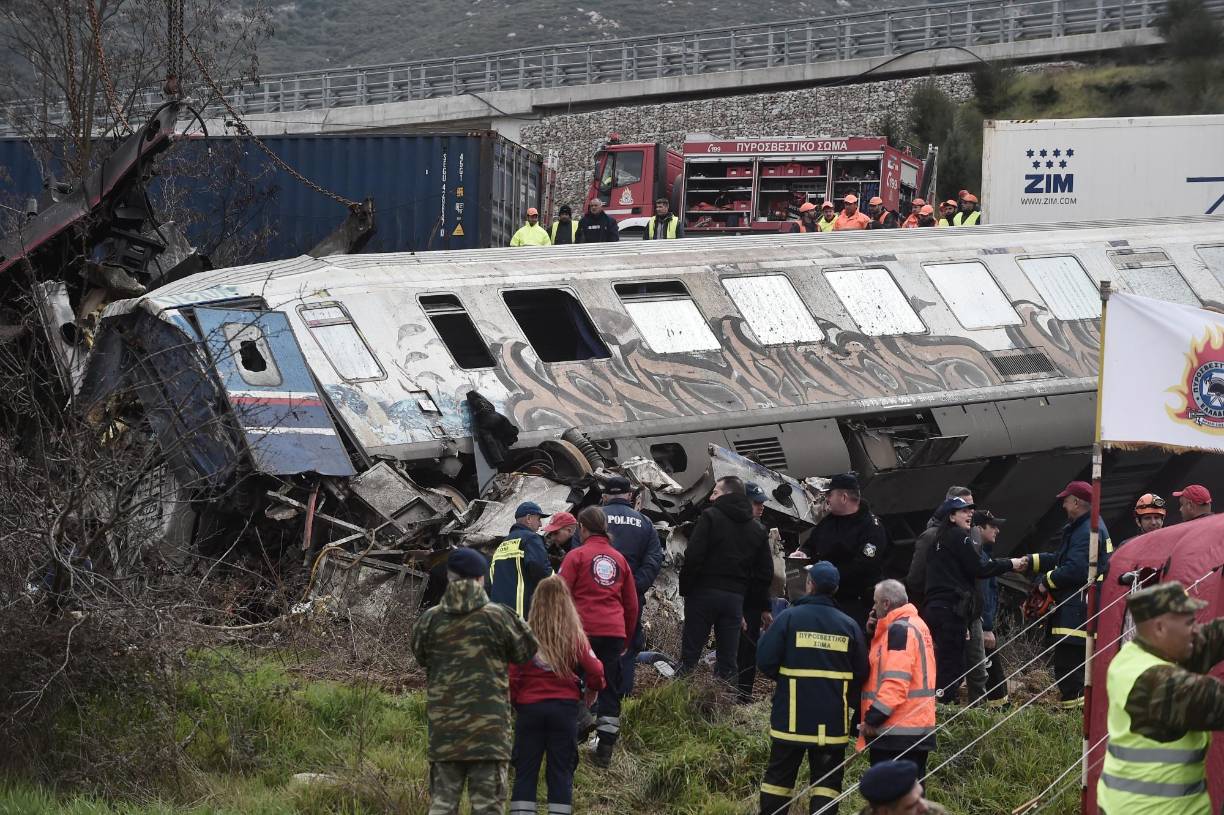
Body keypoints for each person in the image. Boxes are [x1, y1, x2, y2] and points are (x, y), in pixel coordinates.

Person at [412, 547, 538, 815]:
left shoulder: (430, 620)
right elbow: (526, 651)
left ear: (449, 577)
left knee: (442, 806)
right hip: (489, 735)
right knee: (488, 808)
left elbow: (421, 657)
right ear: (481, 578)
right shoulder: (499, 617)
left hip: (445, 733)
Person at [1097, 581, 1224, 815]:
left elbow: (1209, 638)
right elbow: (1214, 701)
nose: (1196, 630)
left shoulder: (1141, 653)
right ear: (1160, 628)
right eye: (1190, 623)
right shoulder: (1156, 683)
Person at [756, 561, 868, 815]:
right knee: (827, 785)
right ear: (835, 589)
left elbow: (765, 660)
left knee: (778, 781)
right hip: (832, 723)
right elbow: (861, 672)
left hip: (791, 717)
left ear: (810, 585)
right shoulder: (849, 625)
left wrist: (787, 679)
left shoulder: (789, 617)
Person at [509, 576, 605, 815]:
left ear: (536, 604)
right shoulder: (574, 636)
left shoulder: (524, 637)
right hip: (563, 711)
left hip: (530, 711)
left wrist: (516, 702)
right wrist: (593, 689)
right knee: (560, 773)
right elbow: (596, 669)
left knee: (525, 774)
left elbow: (511, 676)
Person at [1014, 480, 1112, 707]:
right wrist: (1031, 561)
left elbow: (1075, 569)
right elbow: (1062, 559)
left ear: (1077, 502)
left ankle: (1076, 718)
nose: (1063, 506)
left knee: (1069, 671)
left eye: (1066, 501)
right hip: (1078, 609)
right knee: (1071, 670)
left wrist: (1044, 584)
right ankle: (1077, 714)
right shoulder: (1084, 528)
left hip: (1077, 611)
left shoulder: (1087, 531)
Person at [558, 506, 638, 768]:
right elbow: (631, 604)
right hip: (613, 634)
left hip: (580, 632)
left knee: (567, 682)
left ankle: (574, 732)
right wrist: (625, 639)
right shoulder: (620, 560)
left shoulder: (575, 556)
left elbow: (559, 595)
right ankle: (605, 750)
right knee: (610, 689)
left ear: (582, 528)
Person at [679, 475, 773, 682]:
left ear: (728, 494)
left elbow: (693, 555)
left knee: (689, 657)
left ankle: (678, 695)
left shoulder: (710, 517)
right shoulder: (757, 529)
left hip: (703, 594)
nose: (711, 497)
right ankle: (726, 699)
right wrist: (751, 603)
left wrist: (686, 589)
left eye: (715, 492)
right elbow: (765, 572)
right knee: (728, 662)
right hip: (734, 600)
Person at [921, 496, 1016, 702]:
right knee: (953, 665)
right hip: (951, 610)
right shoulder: (959, 536)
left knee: (944, 661)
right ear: (951, 516)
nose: (969, 513)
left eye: (970, 510)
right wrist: (1011, 564)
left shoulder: (936, 541)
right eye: (963, 510)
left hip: (936, 608)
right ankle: (942, 707)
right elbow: (979, 568)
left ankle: (940, 703)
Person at [858, 580, 937, 777]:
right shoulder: (916, 624)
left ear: (886, 603)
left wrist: (873, 718)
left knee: (890, 792)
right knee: (911, 792)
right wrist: (873, 634)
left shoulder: (899, 630)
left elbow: (895, 682)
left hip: (896, 730)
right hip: (913, 727)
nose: (873, 607)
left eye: (876, 602)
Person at [599, 475, 664, 698]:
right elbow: (654, 560)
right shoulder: (644, 523)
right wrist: (633, 587)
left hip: (597, 598)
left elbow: (579, 554)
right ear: (629, 495)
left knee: (595, 645)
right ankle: (622, 699)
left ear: (604, 496)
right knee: (627, 647)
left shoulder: (592, 520)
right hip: (631, 600)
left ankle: (596, 700)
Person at [801, 473, 888, 632]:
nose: (827, 498)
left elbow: (864, 565)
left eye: (830, 494)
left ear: (843, 497)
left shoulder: (871, 527)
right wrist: (803, 553)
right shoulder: (829, 521)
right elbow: (811, 544)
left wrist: (827, 575)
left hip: (856, 602)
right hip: (826, 599)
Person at [737, 481, 776, 703]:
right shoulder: (738, 529)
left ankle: (743, 693)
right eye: (756, 503)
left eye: (762, 503)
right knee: (735, 649)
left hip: (751, 602)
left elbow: (764, 574)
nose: (761, 507)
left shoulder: (759, 530)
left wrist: (765, 607)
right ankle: (731, 692)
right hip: (737, 599)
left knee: (747, 650)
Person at [904, 486, 974, 607]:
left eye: (971, 507)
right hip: (938, 606)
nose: (971, 511)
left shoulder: (971, 534)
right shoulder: (931, 537)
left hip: (965, 607)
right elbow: (915, 579)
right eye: (965, 508)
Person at [489, 501, 554, 619]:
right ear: (528, 518)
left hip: (499, 614)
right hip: (521, 614)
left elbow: (491, 578)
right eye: (538, 519)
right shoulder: (530, 538)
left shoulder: (502, 544)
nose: (540, 525)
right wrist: (558, 583)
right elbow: (541, 569)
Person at [972, 510, 1010, 705]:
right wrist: (987, 627)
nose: (997, 530)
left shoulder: (983, 554)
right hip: (981, 624)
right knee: (988, 668)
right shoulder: (981, 558)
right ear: (979, 529)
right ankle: (997, 706)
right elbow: (984, 596)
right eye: (992, 526)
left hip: (980, 622)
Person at [857, 759, 949, 815]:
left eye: (921, 796)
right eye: (911, 806)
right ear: (884, 812)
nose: (924, 807)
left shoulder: (933, 812)